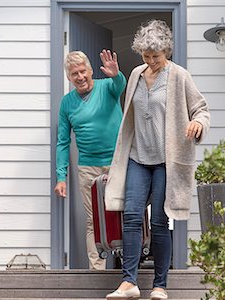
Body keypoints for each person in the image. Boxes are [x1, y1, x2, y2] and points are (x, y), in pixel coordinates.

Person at [105, 20, 210, 300]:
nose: (151, 61)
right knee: (131, 216)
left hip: (167, 161)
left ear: (167, 51)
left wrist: (198, 124)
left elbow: (201, 109)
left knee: (161, 221)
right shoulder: (137, 74)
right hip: (138, 157)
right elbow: (131, 113)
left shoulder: (180, 76)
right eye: (146, 56)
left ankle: (160, 285)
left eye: (156, 56)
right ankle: (129, 282)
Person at [54, 50, 126, 270]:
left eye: (82, 71)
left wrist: (116, 75)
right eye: (74, 73)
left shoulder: (107, 88)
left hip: (118, 162)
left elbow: (120, 85)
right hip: (88, 167)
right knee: (94, 220)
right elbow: (63, 141)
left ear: (90, 70)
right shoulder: (67, 103)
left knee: (123, 214)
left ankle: (127, 268)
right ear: (69, 77)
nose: (80, 76)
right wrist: (61, 177)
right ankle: (97, 271)